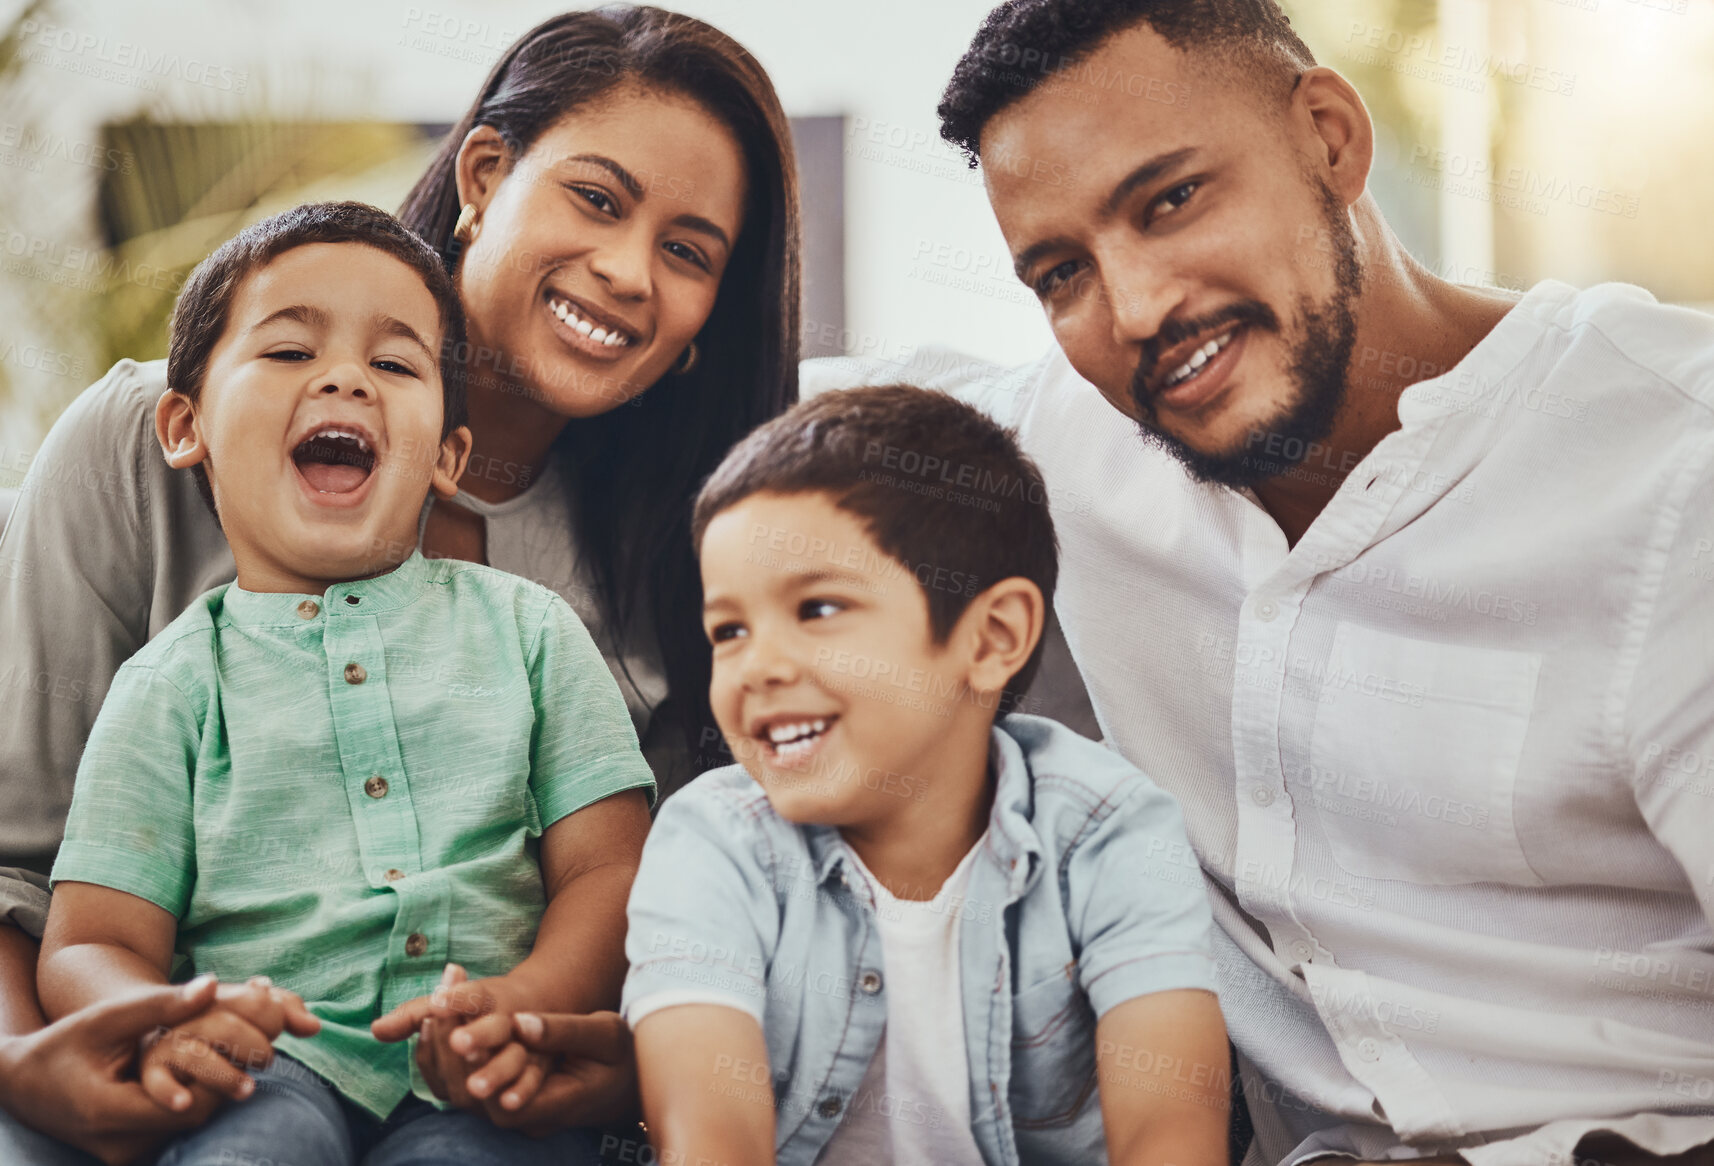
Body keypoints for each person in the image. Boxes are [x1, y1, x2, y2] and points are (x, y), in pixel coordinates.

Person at [807, 1, 1714, 1163]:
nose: (1136, 308)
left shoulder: (1672, 472)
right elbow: (713, 397)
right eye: (1060, 271)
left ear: (1330, 137)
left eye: (1171, 200)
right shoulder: (1053, 453)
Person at [0, 6, 799, 1159]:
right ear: (485, 171)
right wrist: (31, 1070)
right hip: (171, 1072)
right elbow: (27, 867)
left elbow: (645, 885)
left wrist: (614, 1048)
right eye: (596, 197)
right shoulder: (147, 443)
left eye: (687, 251)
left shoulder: (691, 544)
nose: (627, 271)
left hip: (499, 1095)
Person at [36, 201, 657, 1166]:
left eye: (396, 365)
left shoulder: (535, 634)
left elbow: (609, 871)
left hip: (491, 1075)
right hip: (259, 1065)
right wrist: (170, 1022)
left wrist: (525, 1003)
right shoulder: (166, 683)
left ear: (448, 456)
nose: (342, 379)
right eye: (287, 353)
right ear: (183, 425)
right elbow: (86, 945)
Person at [620, 385, 1230, 1166]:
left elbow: (1171, 1134)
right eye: (729, 630)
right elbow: (709, 1136)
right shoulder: (711, 841)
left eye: (817, 609)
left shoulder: (1110, 831)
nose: (758, 667)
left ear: (990, 639)